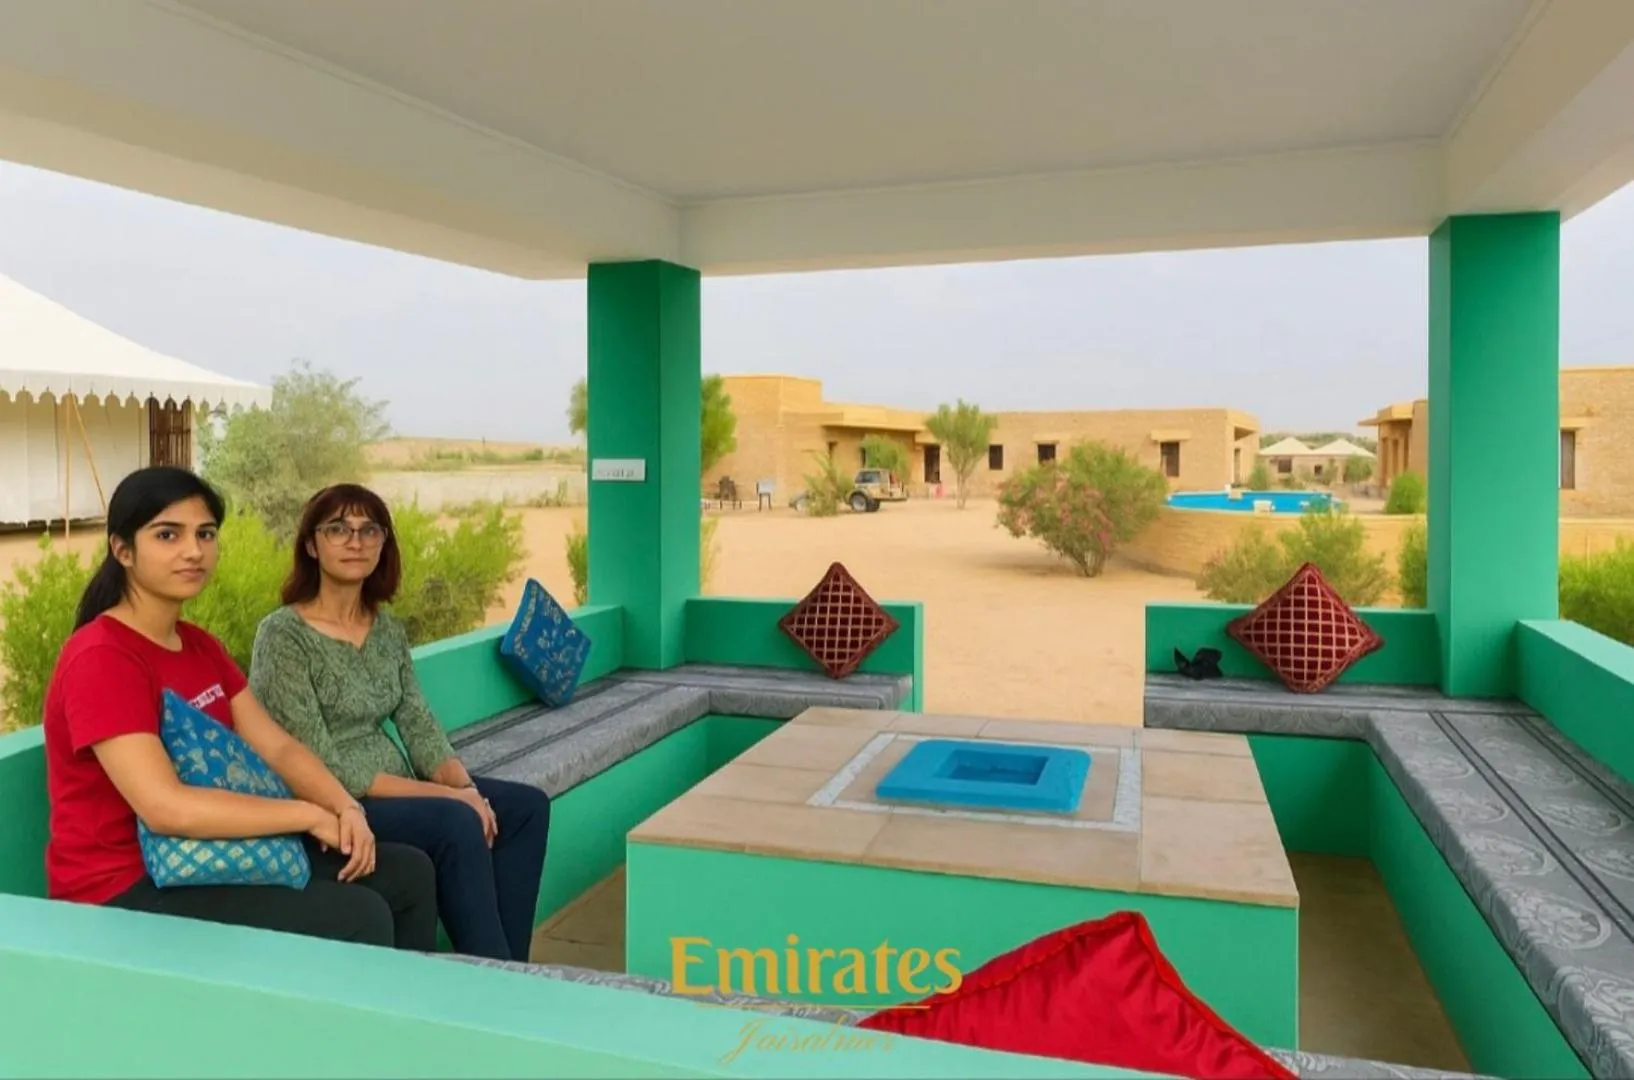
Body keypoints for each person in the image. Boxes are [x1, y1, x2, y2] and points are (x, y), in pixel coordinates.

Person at [42, 466, 439, 952]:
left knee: (406, 873)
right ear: (122, 550)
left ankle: (414, 1016)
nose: (193, 551)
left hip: (212, 852)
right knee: (356, 914)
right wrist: (306, 815)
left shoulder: (198, 646)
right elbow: (166, 808)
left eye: (205, 534)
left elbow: (275, 745)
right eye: (168, 535)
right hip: (126, 884)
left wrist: (343, 806)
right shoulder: (103, 658)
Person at [249, 483, 551, 962]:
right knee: (455, 819)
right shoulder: (283, 636)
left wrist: (467, 787)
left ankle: (510, 967)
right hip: (334, 800)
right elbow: (322, 763)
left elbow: (418, 723)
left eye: (369, 530)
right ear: (311, 544)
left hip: (396, 787)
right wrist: (454, 799)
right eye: (338, 529)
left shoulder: (386, 629)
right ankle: (490, 976)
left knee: (523, 807)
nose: (355, 541)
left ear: (383, 544)